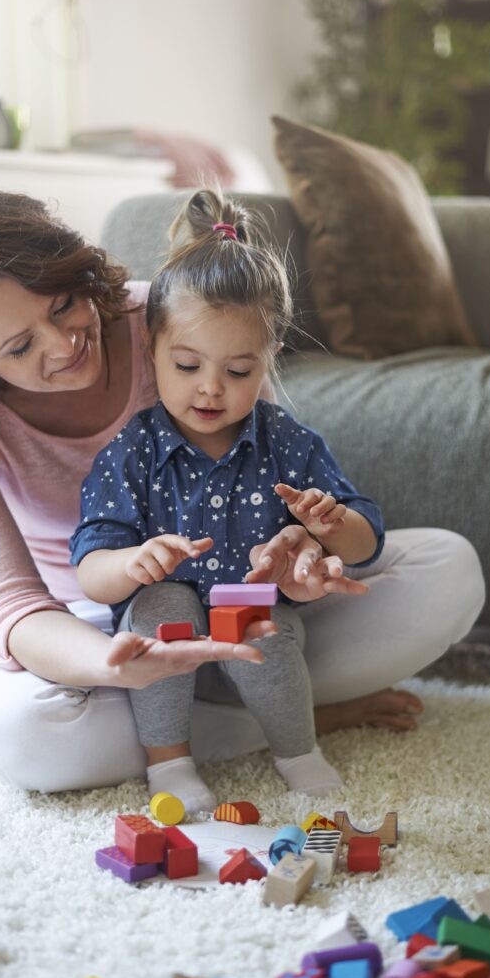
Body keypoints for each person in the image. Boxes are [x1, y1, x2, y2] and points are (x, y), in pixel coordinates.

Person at [0, 185, 485, 795]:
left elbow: (268, 471)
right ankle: (281, 722)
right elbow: (15, 611)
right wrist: (116, 662)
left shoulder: (176, 322)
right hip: (102, 621)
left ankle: (228, 714)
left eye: (62, 304)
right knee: (27, 734)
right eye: (21, 346)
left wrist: (300, 549)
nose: (64, 345)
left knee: (448, 568)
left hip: (252, 604)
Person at [69, 189, 387, 812]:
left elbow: (369, 537)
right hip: (165, 652)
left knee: (260, 620)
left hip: (261, 641)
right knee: (162, 601)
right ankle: (171, 764)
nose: (211, 388)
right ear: (151, 348)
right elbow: (90, 564)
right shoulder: (130, 451)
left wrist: (330, 527)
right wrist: (129, 564)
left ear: (269, 360)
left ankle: (297, 751)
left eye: (239, 372)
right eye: (187, 365)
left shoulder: (286, 442)